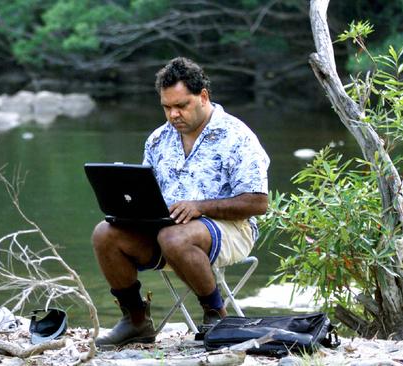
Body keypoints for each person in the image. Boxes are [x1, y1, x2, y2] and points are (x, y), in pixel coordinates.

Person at [91, 57, 270, 348]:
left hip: (231, 230)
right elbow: (146, 192)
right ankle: (136, 321)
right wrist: (131, 212)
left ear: (203, 97)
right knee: (105, 233)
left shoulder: (237, 136)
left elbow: (258, 203)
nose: (173, 114)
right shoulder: (158, 139)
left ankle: (217, 316)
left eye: (181, 106)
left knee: (173, 236)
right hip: (166, 229)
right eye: (166, 107)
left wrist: (201, 207)